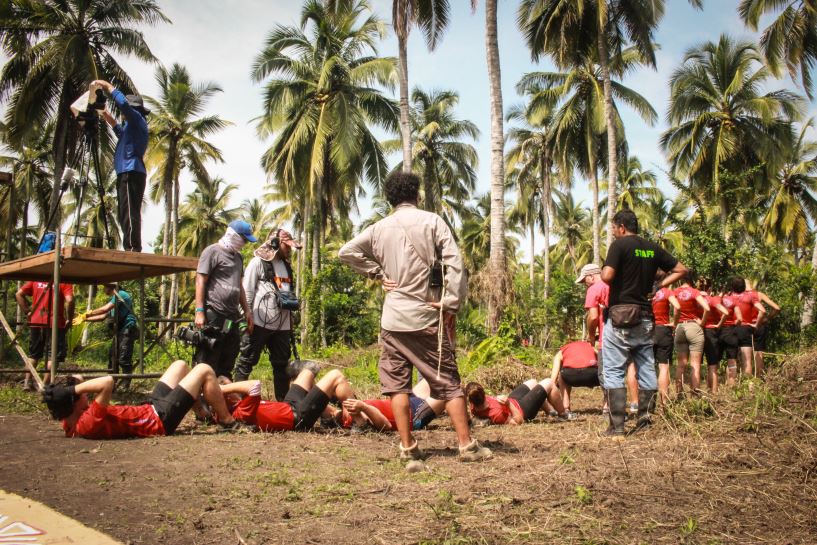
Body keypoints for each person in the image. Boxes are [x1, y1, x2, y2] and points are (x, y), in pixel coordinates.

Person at [339, 171, 490, 468]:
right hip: (426, 317)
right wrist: (451, 303)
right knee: (449, 383)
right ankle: (466, 446)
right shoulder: (433, 221)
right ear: (417, 195)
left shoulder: (378, 228)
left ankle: (408, 449)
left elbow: (346, 252)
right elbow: (454, 264)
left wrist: (377, 273)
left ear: (390, 199)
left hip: (393, 320)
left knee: (398, 386)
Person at [600, 209, 687, 437]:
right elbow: (681, 269)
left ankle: (617, 427)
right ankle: (645, 421)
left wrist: (607, 271)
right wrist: (658, 286)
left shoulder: (619, 245)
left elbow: (607, 276)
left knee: (613, 369)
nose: (613, 232)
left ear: (621, 227)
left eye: (613, 228)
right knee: (647, 366)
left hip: (620, 315)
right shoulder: (652, 248)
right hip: (646, 317)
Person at [42, 361, 244, 439]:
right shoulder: (87, 423)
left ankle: (202, 413)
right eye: (82, 394)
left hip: (149, 408)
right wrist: (71, 390)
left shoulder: (70, 419)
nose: (87, 394)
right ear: (74, 402)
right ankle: (227, 422)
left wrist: (68, 390)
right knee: (205, 370)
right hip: (159, 420)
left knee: (180, 365)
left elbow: (81, 390)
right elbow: (107, 382)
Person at [234, 228, 302, 399]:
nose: (289, 249)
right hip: (258, 322)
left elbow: (287, 293)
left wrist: (291, 321)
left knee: (281, 365)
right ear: (276, 243)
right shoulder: (258, 262)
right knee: (247, 361)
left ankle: (283, 405)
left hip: (282, 325)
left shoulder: (287, 266)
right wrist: (246, 315)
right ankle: (238, 402)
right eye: (287, 246)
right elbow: (247, 291)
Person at [194, 220, 257, 379]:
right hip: (214, 312)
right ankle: (202, 396)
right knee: (209, 357)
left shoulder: (239, 258)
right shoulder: (212, 252)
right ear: (234, 235)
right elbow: (200, 280)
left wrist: (247, 310)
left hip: (231, 315)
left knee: (229, 354)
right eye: (243, 239)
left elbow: (240, 285)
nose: (244, 244)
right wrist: (199, 311)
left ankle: (223, 393)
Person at [92, 80, 149, 252]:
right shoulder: (129, 128)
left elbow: (123, 104)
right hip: (126, 172)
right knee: (125, 211)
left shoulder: (138, 120)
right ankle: (130, 245)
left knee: (130, 211)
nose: (123, 113)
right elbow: (114, 125)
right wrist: (102, 111)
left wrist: (108, 87)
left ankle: (132, 247)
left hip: (132, 171)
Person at [577, 263, 639, 415]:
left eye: (584, 280)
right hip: (629, 333)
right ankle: (635, 403)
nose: (584, 283)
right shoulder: (616, 284)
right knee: (630, 367)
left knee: (605, 372)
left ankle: (615, 407)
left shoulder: (594, 289)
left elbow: (593, 317)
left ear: (591, 276)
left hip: (608, 337)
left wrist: (592, 336)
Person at [220, 363, 353, 432]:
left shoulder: (239, 405)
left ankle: (331, 415)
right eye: (230, 386)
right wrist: (222, 389)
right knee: (336, 375)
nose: (233, 386)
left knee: (306, 372)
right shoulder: (240, 412)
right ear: (226, 397)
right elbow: (254, 385)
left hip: (289, 406)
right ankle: (358, 422)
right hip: (299, 418)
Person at [76, 283, 138, 389]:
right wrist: (84, 319)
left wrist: (88, 313)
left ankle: (125, 385)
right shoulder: (115, 300)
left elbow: (104, 309)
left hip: (127, 329)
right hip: (119, 331)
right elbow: (103, 316)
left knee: (123, 358)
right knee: (112, 358)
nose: (103, 289)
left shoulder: (121, 295)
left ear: (111, 287)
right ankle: (112, 383)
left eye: (105, 287)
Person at [16, 279, 74, 389]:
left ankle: (27, 383)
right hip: (55, 323)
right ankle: (44, 386)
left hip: (36, 321)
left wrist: (27, 312)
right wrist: (69, 319)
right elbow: (70, 301)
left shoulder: (37, 279)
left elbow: (19, 294)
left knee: (34, 354)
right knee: (53, 355)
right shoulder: (64, 280)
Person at [336, 379, 445, 432]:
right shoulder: (358, 420)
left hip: (403, 400)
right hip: (413, 415)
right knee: (452, 391)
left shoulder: (345, 410)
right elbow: (386, 425)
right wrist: (364, 407)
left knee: (440, 375)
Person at [465, 378, 572, 425]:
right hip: (522, 410)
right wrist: (508, 403)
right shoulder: (496, 414)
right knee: (549, 382)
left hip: (513, 400)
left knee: (533, 382)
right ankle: (564, 414)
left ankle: (550, 411)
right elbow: (518, 421)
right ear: (483, 393)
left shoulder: (473, 406)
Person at [669, 274, 710, 397]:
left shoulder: (675, 292)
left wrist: (675, 325)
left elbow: (675, 310)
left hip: (680, 327)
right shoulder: (694, 292)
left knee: (681, 364)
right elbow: (707, 308)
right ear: (691, 280)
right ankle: (695, 394)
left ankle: (679, 394)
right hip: (693, 327)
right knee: (695, 364)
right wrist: (702, 323)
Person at [730, 277, 766, 379]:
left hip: (731, 329)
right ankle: (748, 386)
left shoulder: (729, 297)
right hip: (745, 329)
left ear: (732, 287)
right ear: (744, 286)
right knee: (747, 361)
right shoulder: (750, 297)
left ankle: (730, 386)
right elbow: (762, 311)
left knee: (731, 360)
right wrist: (757, 324)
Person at [550, 340, 600, 413]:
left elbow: (553, 380)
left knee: (561, 376)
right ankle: (606, 407)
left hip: (571, 376)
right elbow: (602, 358)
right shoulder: (589, 346)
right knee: (605, 375)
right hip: (592, 374)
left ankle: (566, 407)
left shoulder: (562, 350)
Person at [651, 274, 678, 404]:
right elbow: (677, 306)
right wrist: (675, 323)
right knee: (663, 367)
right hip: (663, 330)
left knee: (647, 367)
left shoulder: (648, 293)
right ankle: (664, 401)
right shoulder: (667, 292)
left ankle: (648, 401)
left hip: (648, 331)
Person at [745, 279, 780, 377]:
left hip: (746, 326)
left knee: (745, 354)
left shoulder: (740, 296)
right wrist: (767, 319)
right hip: (760, 325)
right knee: (759, 353)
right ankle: (759, 378)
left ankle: (747, 379)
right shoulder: (759, 294)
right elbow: (777, 308)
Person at [700, 280, 729, 394]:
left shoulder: (695, 299)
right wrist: (719, 325)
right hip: (711, 331)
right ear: (710, 289)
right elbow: (725, 312)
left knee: (697, 363)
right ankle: (714, 392)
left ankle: (702, 390)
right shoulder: (711, 299)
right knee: (712, 364)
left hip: (697, 330)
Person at [718, 288, 744, 387]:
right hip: (730, 331)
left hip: (718, 331)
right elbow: (740, 318)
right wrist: (733, 324)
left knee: (714, 362)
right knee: (732, 361)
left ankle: (712, 388)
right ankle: (731, 386)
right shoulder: (733, 300)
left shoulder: (715, 299)